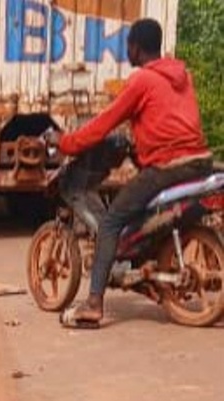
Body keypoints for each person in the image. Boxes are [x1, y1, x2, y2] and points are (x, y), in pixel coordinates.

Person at [50, 18, 213, 328]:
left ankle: (93, 304)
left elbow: (103, 124)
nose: (127, 51)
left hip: (169, 167)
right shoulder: (183, 75)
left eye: (128, 46)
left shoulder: (142, 81)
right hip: (199, 161)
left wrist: (66, 142)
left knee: (111, 221)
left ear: (135, 48)